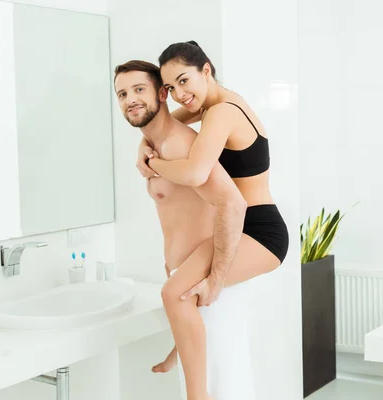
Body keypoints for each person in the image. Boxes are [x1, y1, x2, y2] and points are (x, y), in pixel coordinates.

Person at [135, 41, 289, 400]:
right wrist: (143, 144)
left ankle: (196, 394)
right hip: (239, 227)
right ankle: (184, 344)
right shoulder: (216, 104)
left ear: (207, 69)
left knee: (175, 291)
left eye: (185, 81)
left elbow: (194, 172)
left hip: (261, 233)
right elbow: (162, 125)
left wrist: (151, 164)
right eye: (171, 88)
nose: (179, 94)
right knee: (179, 278)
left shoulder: (221, 113)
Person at [114, 60, 254, 400]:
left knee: (221, 389)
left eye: (138, 90)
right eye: (121, 93)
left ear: (163, 95)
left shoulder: (181, 146)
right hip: (186, 281)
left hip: (203, 286)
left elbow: (232, 203)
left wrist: (215, 276)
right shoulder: (156, 147)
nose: (129, 99)